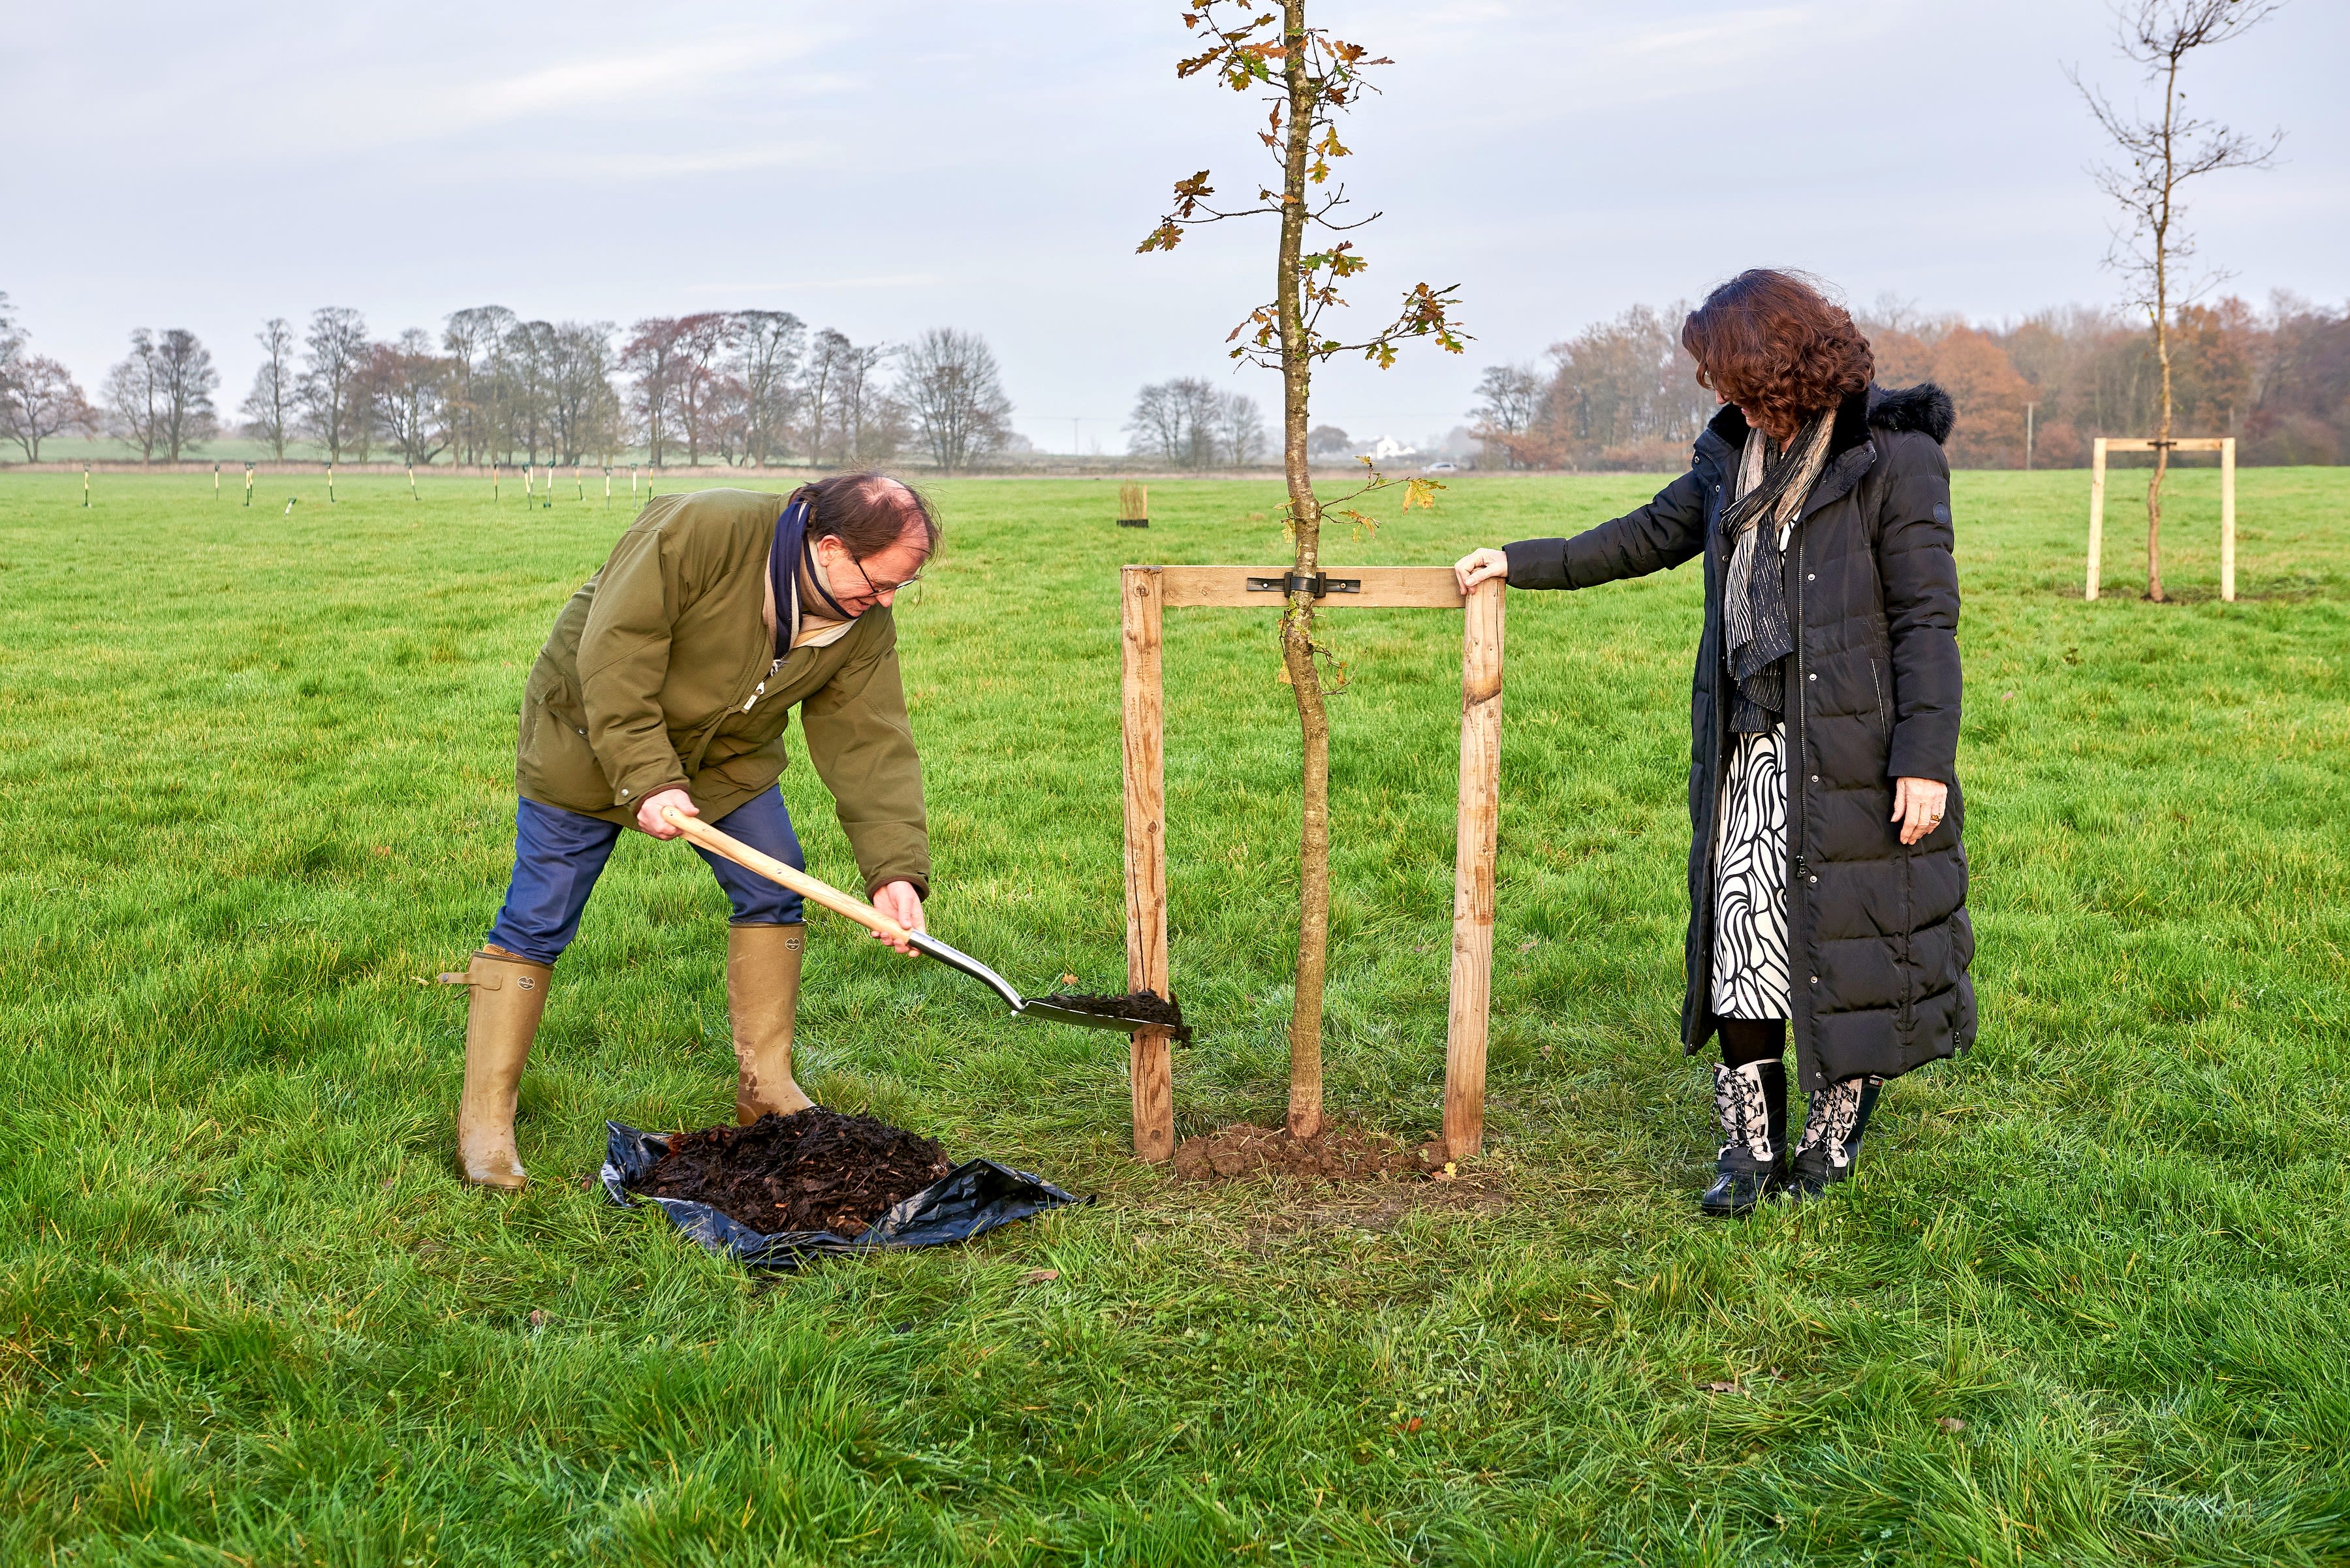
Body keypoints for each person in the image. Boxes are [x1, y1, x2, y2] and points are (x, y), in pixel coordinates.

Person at [1455, 269, 1973, 1215]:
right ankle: (1748, 1141)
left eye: (1725, 370)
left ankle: (1838, 1115)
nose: (1715, 390)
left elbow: (1926, 620)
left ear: (1776, 363)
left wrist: (1925, 757)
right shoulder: (1730, 453)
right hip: (1752, 741)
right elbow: (1648, 534)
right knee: (1744, 934)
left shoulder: (1892, 457)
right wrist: (1518, 563)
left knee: (1851, 936)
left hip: (1855, 748)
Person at [447, 474, 939, 1189]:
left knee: (775, 886)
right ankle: (485, 1126)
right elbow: (616, 649)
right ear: (829, 547)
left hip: (723, 757)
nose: (887, 601)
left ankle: (765, 1089)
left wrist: (895, 869)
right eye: (880, 582)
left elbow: (872, 742)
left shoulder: (860, 619)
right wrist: (649, 776)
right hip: (587, 733)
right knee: (539, 916)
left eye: (902, 587)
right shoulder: (703, 529)